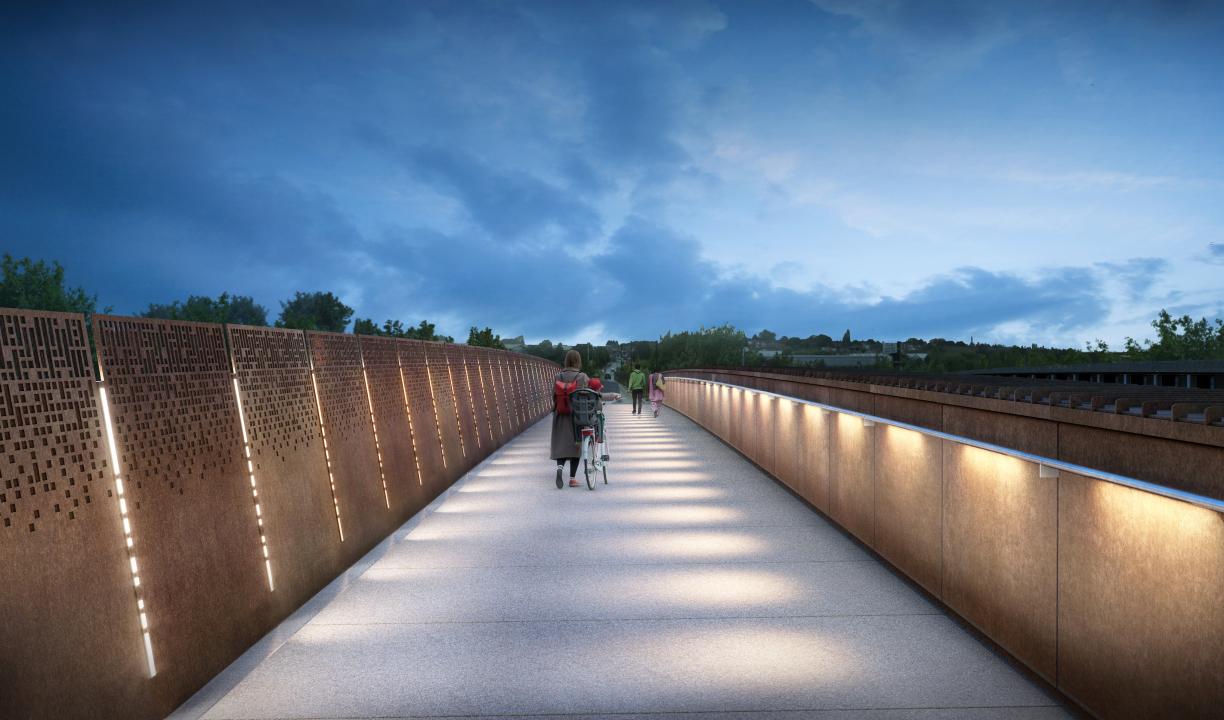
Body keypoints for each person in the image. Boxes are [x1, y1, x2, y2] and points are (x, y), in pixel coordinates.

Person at [551, 349, 589, 488]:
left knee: (561, 444)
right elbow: (588, 395)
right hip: (577, 416)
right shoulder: (582, 376)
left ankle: (560, 469)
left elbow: (554, 395)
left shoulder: (558, 376)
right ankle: (572, 478)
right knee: (576, 445)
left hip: (560, 415)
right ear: (578, 361)